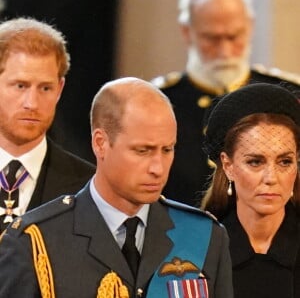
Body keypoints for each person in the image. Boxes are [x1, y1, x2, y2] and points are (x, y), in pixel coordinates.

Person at [0, 77, 233, 298]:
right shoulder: (36, 241)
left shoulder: (204, 236)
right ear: (100, 143)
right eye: (143, 151)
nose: (158, 168)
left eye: (167, 150)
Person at [152, 0, 300, 206]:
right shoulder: (158, 101)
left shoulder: (287, 94)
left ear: (250, 27)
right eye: (211, 38)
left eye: (234, 36)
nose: (224, 50)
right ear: (187, 32)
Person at [201, 83, 300, 298]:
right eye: (255, 162)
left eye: (284, 161)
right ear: (228, 166)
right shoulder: (198, 250)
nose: (271, 178)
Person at [0, 17, 95, 233]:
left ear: (60, 89)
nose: (32, 103)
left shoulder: (90, 189)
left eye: (45, 89)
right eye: (20, 86)